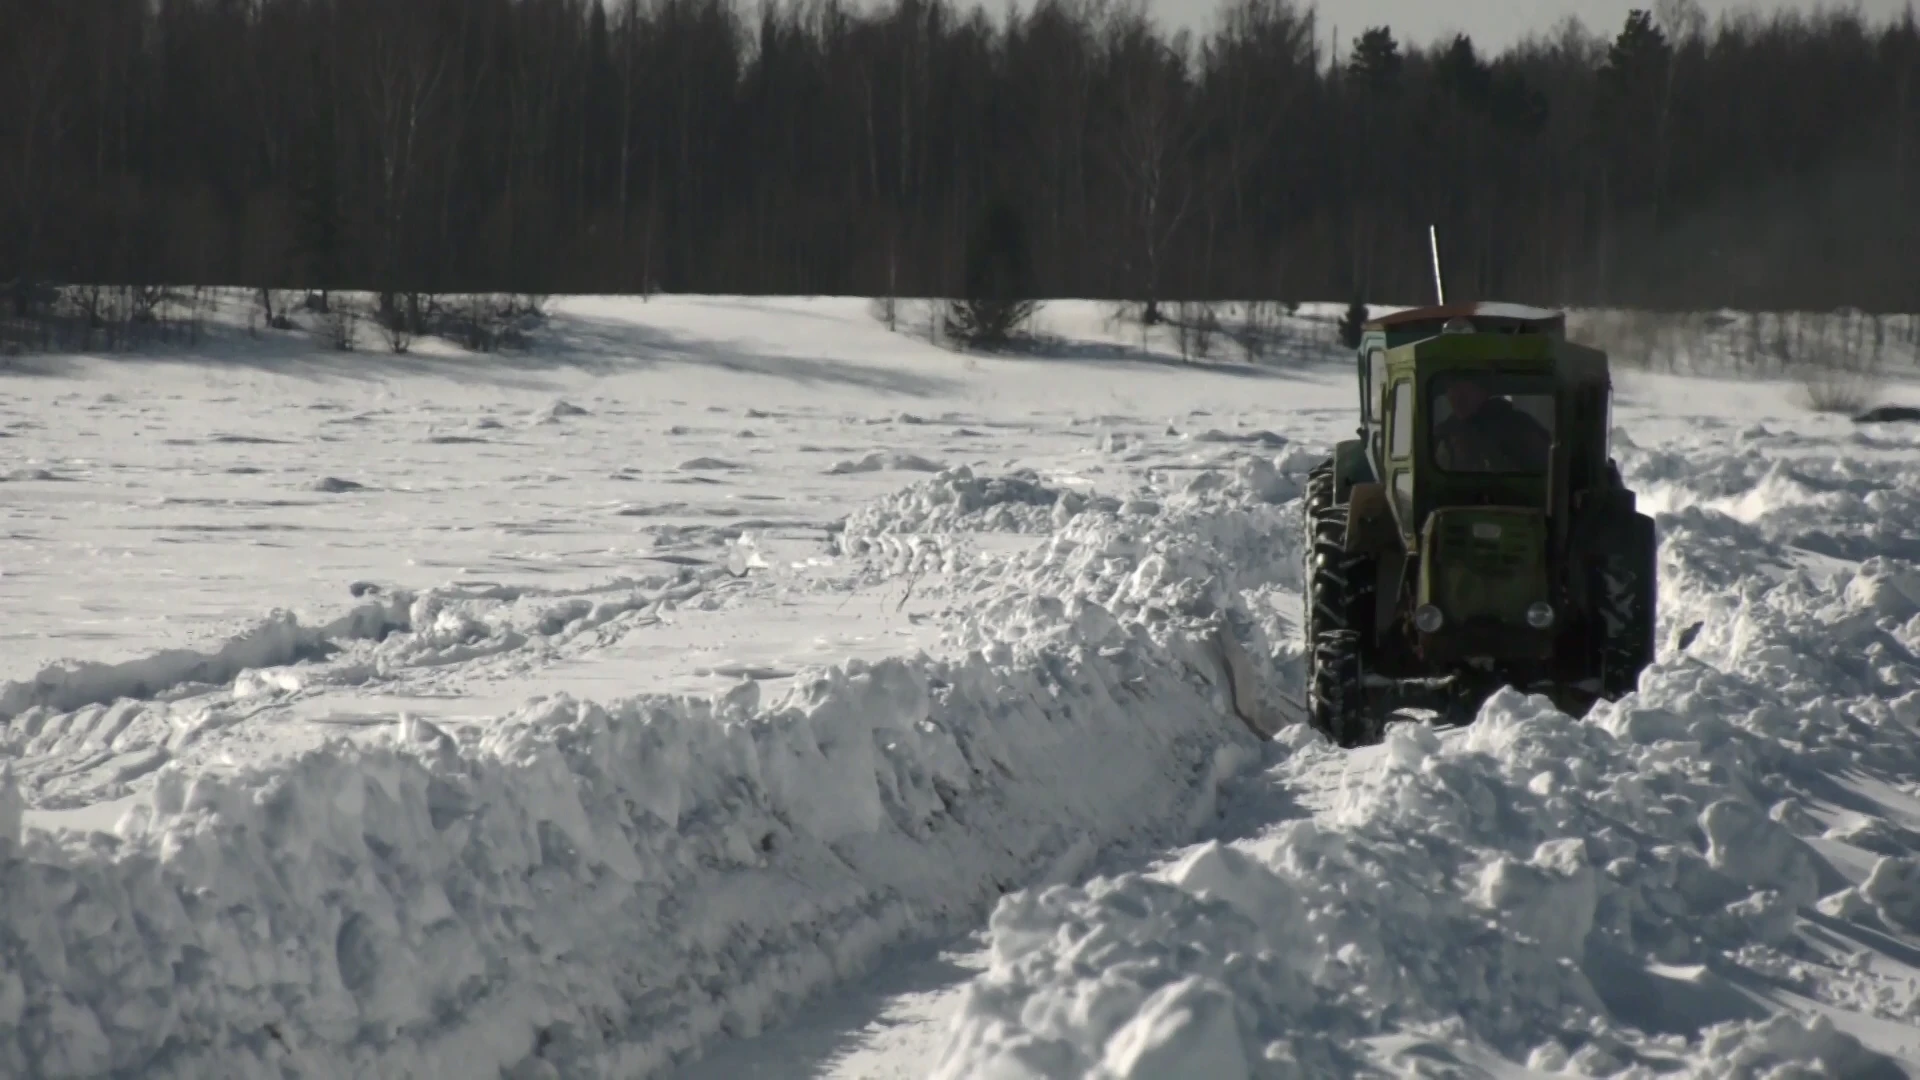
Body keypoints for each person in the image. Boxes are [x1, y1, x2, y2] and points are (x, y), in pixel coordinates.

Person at [1432, 377, 1552, 472]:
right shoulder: (1444, 432)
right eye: (1450, 387)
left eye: (1463, 386)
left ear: (1483, 390)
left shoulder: (1518, 426)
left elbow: (1547, 467)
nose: (1455, 396)